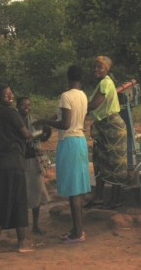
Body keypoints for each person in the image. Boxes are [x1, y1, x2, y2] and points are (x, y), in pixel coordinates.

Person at [36, 65, 91, 243]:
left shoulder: (66, 96)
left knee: (73, 191)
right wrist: (52, 119)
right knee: (76, 189)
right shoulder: (83, 95)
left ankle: (79, 233)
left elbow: (65, 124)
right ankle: (76, 228)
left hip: (69, 142)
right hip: (80, 140)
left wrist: (45, 121)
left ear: (68, 78)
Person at [0, 83, 34, 253]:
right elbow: (25, 134)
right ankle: (22, 243)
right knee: (18, 200)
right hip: (14, 161)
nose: (11, 97)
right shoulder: (12, 112)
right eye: (7, 95)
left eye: (11, 94)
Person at [86, 56, 127, 210]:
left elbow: (95, 104)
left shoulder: (105, 83)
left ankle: (115, 200)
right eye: (95, 67)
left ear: (107, 69)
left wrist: (75, 110)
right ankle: (99, 197)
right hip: (104, 126)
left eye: (100, 67)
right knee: (100, 160)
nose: (96, 69)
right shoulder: (104, 83)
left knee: (115, 163)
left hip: (112, 128)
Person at [17, 97, 50, 235]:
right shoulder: (15, 121)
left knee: (37, 193)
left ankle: (35, 225)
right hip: (20, 161)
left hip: (34, 160)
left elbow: (43, 137)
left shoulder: (34, 121)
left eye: (28, 105)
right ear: (17, 106)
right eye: (23, 104)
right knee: (21, 195)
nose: (26, 107)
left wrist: (45, 132)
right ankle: (23, 227)